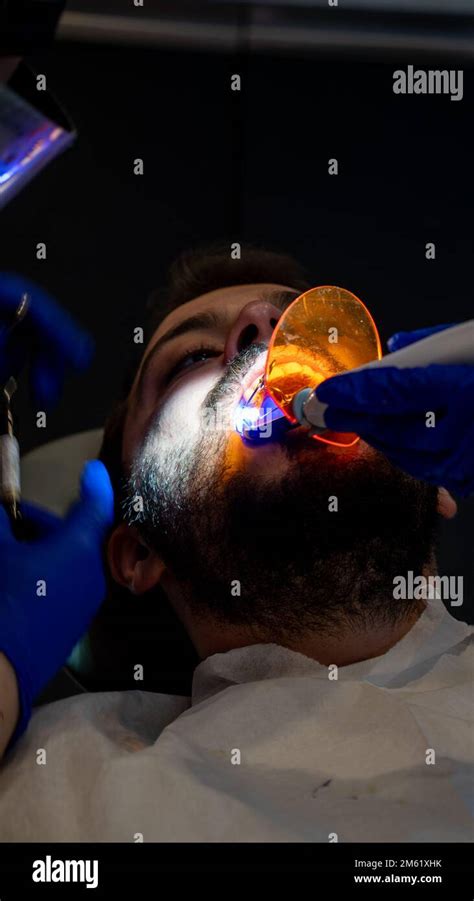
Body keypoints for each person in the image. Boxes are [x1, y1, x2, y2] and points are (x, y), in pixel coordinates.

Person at [0, 246, 472, 842]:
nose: (265, 325)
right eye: (193, 357)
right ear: (140, 550)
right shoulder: (65, 787)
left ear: (438, 484)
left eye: (314, 331)